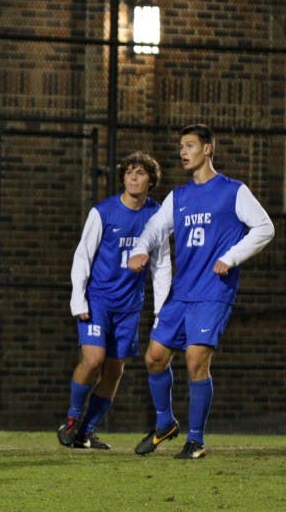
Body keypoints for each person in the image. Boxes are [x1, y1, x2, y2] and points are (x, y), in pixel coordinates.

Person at [128, 124, 275, 460]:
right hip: (182, 292)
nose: (183, 152)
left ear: (209, 149)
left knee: (195, 361)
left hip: (213, 291)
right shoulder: (178, 197)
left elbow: (265, 227)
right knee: (154, 357)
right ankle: (165, 422)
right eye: (181, 146)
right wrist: (141, 248)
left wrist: (231, 256)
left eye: (190, 145)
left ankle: (195, 440)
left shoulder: (232, 191)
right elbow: (154, 229)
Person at [57, 151, 171, 450]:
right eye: (129, 172)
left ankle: (86, 432)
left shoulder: (156, 216)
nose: (133, 177)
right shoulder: (103, 212)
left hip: (129, 307)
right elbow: (83, 256)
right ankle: (71, 418)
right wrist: (78, 300)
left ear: (151, 181)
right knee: (93, 359)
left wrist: (161, 310)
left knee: (115, 370)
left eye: (140, 173)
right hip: (98, 301)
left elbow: (161, 264)